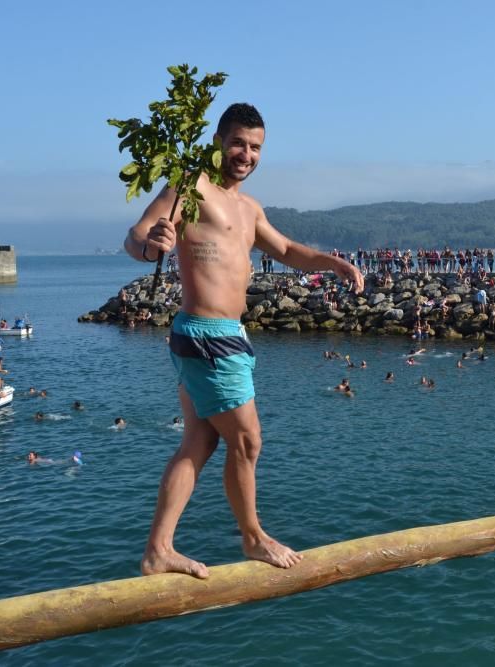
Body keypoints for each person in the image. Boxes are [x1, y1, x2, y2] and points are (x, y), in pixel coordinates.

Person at [125, 102, 363, 578]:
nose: (246, 154)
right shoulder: (188, 187)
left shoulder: (249, 207)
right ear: (217, 140)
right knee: (248, 441)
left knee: (199, 441)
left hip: (225, 335)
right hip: (207, 336)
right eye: (238, 143)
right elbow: (135, 238)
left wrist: (333, 262)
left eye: (255, 147)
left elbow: (288, 250)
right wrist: (152, 243)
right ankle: (253, 538)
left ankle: (159, 550)